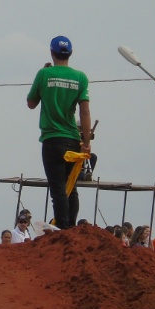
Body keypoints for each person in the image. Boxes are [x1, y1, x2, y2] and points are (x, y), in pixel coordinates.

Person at [25, 36, 92, 229]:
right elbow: (85, 111)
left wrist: (45, 75)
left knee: (58, 189)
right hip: (72, 138)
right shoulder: (80, 77)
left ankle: (62, 226)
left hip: (52, 139)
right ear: (70, 53)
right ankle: (71, 226)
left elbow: (31, 103)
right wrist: (86, 140)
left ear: (52, 53)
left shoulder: (44, 74)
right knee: (71, 187)